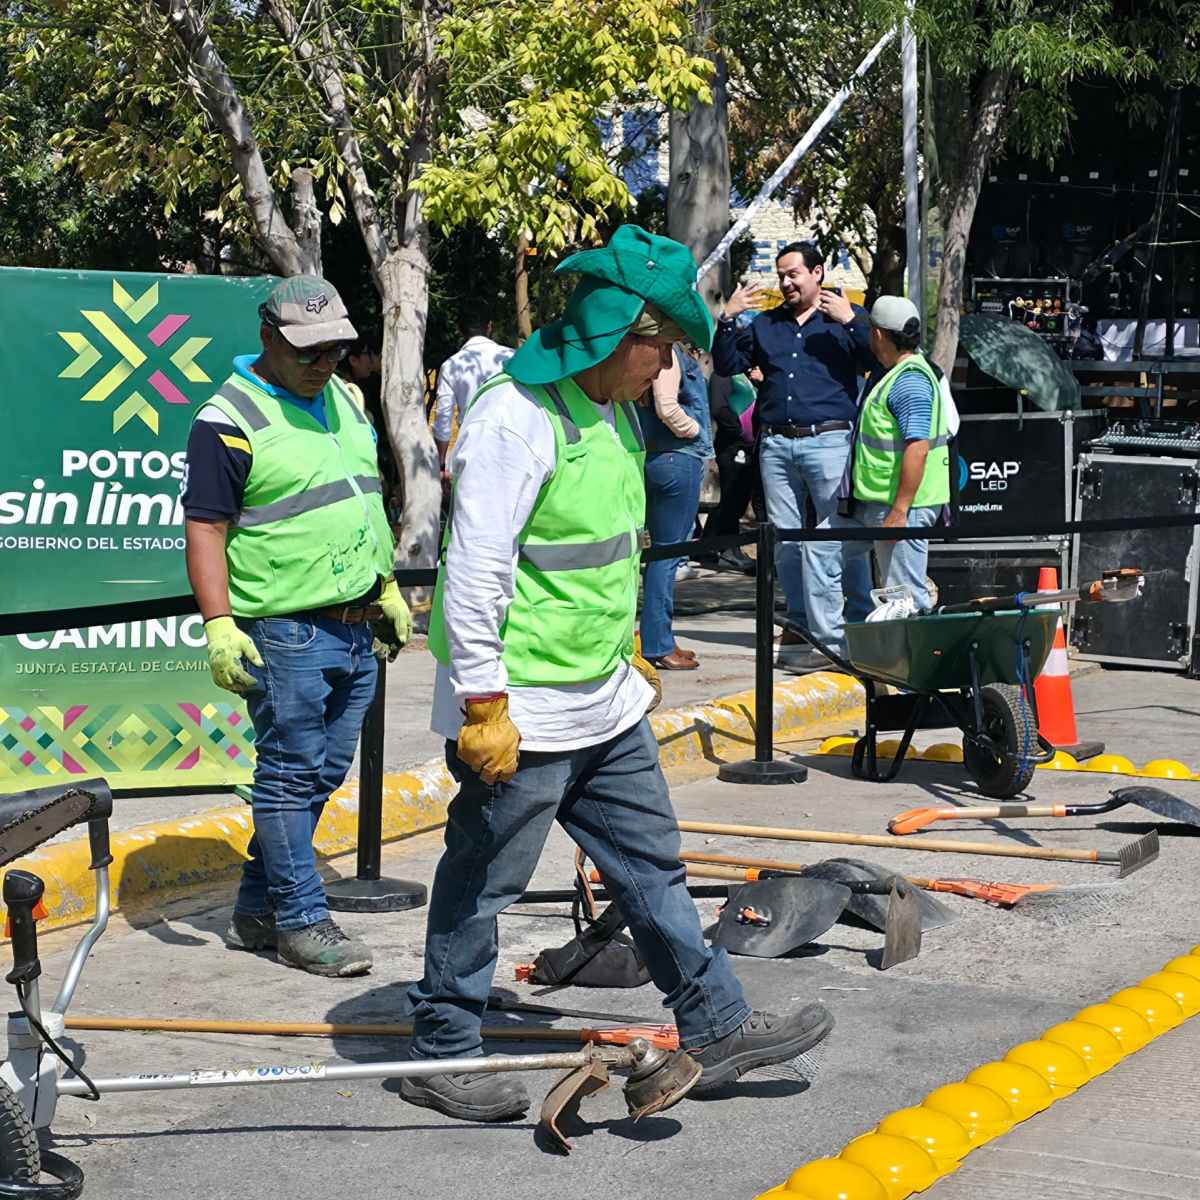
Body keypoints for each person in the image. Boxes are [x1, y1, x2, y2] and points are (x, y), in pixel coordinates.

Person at [405, 224, 833, 1123]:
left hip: (600, 698)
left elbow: (602, 553)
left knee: (651, 868)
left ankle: (714, 1027)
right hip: (520, 709)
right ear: (619, 338)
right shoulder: (515, 420)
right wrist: (482, 703)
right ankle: (441, 1045)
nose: (668, 367)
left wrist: (627, 648)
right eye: (663, 348)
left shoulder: (606, 410)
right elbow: (477, 573)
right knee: (483, 879)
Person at [182, 276, 412, 978]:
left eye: (335, 350)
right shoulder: (228, 417)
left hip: (356, 621)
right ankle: (303, 919)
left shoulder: (344, 396)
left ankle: (257, 907)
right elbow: (206, 526)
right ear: (267, 338)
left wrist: (388, 585)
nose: (323, 363)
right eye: (307, 350)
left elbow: (361, 499)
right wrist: (220, 624)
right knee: (287, 776)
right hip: (286, 629)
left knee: (321, 773)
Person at [712, 242, 875, 671]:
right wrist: (727, 319)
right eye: (781, 275)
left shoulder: (841, 319)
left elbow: (877, 358)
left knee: (835, 536)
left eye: (793, 274)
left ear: (816, 272)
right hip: (777, 445)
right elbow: (727, 364)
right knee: (784, 540)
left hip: (829, 441)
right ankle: (802, 626)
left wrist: (854, 320)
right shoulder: (766, 325)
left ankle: (850, 627)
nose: (785, 282)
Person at [829, 296, 951, 650]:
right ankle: (841, 646)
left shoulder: (908, 381)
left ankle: (923, 669)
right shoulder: (897, 373)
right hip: (878, 502)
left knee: (905, 596)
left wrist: (899, 512)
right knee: (819, 551)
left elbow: (918, 447)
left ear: (879, 334)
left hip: (901, 506)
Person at [638, 342, 713, 670]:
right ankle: (658, 644)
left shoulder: (641, 351)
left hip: (649, 456)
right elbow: (667, 406)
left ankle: (656, 638)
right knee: (666, 557)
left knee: (651, 556)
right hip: (676, 458)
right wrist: (695, 432)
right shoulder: (669, 355)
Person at [696, 366, 764, 573]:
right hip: (733, 446)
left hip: (749, 447)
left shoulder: (746, 376)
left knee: (738, 500)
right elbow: (718, 407)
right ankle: (726, 549)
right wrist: (739, 432)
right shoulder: (722, 374)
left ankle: (707, 546)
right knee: (732, 499)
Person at [431, 317, 514, 473]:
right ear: (489, 326)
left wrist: (440, 464)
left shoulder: (451, 365)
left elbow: (443, 418)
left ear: (460, 330)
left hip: (472, 450)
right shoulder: (513, 357)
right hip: (512, 447)